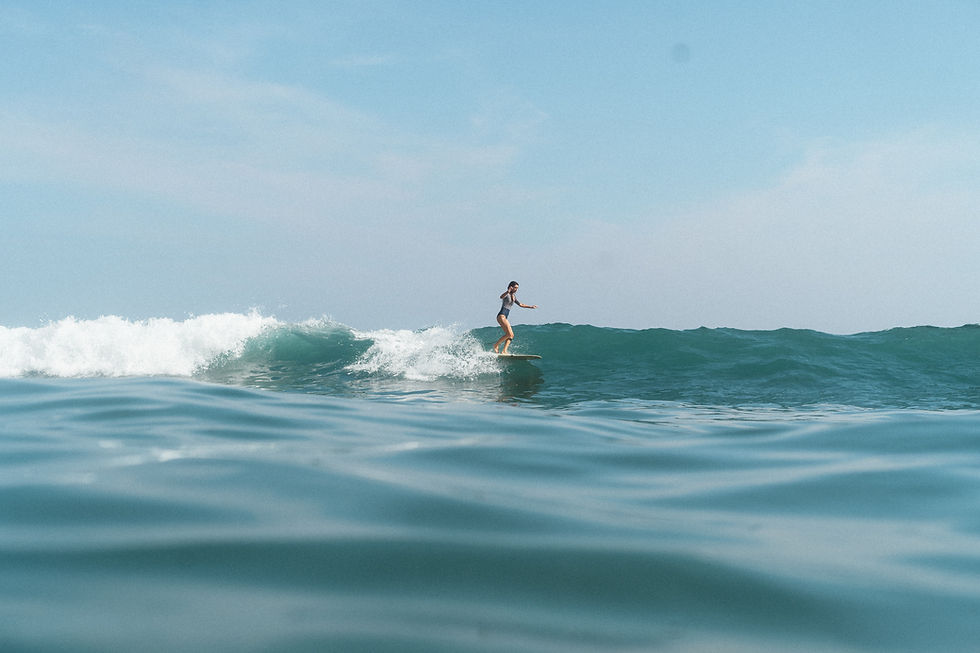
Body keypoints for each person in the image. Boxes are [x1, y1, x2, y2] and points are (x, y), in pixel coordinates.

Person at [493, 281, 537, 354]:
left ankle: (504, 351)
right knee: (509, 334)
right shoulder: (507, 295)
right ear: (511, 287)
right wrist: (507, 291)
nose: (516, 289)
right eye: (515, 288)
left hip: (505, 317)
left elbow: (521, 304)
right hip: (501, 316)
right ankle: (496, 345)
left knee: (511, 335)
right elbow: (501, 297)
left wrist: (530, 307)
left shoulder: (513, 296)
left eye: (517, 288)